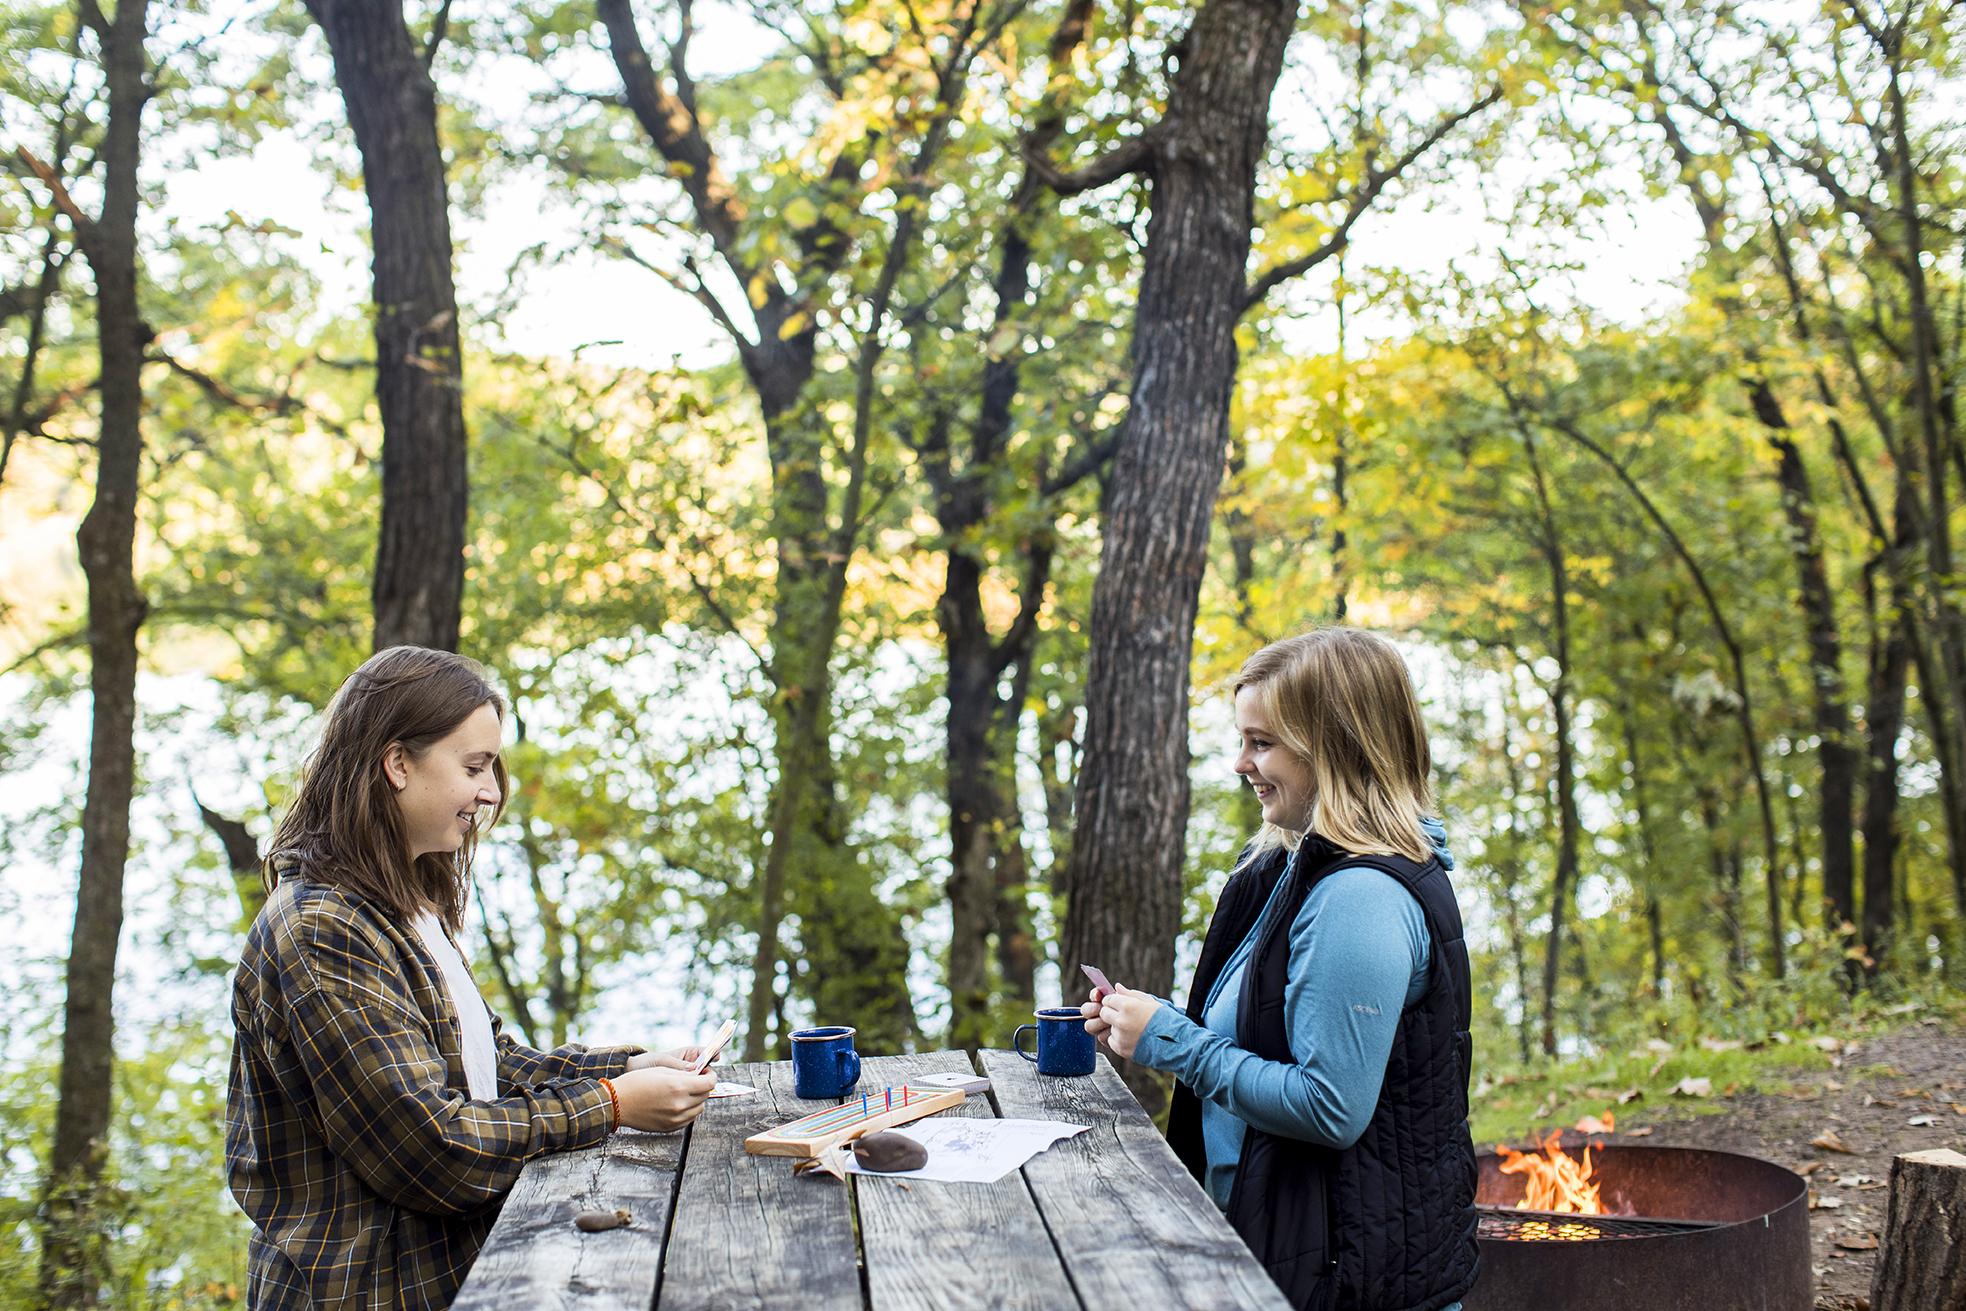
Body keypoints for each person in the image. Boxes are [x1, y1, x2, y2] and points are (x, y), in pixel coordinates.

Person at [225, 647, 715, 1311]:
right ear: (397, 763)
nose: (490, 792)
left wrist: (630, 1064)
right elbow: (432, 1144)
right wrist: (613, 1103)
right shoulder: (323, 929)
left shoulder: (405, 897)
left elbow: (482, 1066)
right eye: (474, 766)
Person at [1084, 628, 1478, 1311]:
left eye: (1261, 742)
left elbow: (1330, 1107)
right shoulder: (1293, 864)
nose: (1241, 762)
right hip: (1285, 1249)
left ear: (1337, 747)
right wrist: (1145, 1023)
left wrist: (1171, 1041)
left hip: (1347, 1283)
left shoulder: (1361, 898)